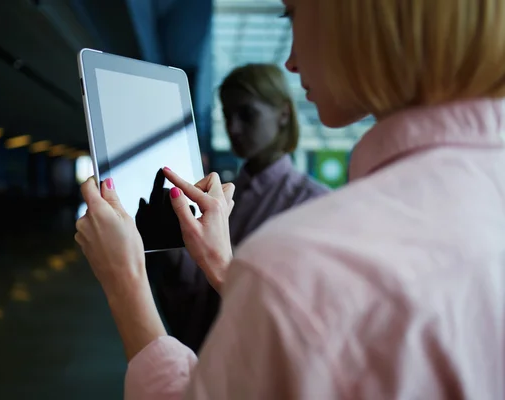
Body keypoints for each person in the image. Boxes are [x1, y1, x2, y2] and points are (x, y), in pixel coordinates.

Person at [75, 0, 505, 398]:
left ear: (358, 16)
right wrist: (230, 271)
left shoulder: (302, 255)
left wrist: (125, 280)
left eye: (293, 13)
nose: (290, 59)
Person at [142, 63, 329, 352]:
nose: (233, 128)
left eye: (247, 114)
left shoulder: (315, 206)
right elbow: (195, 291)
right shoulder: (219, 195)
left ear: (283, 113)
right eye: (228, 116)